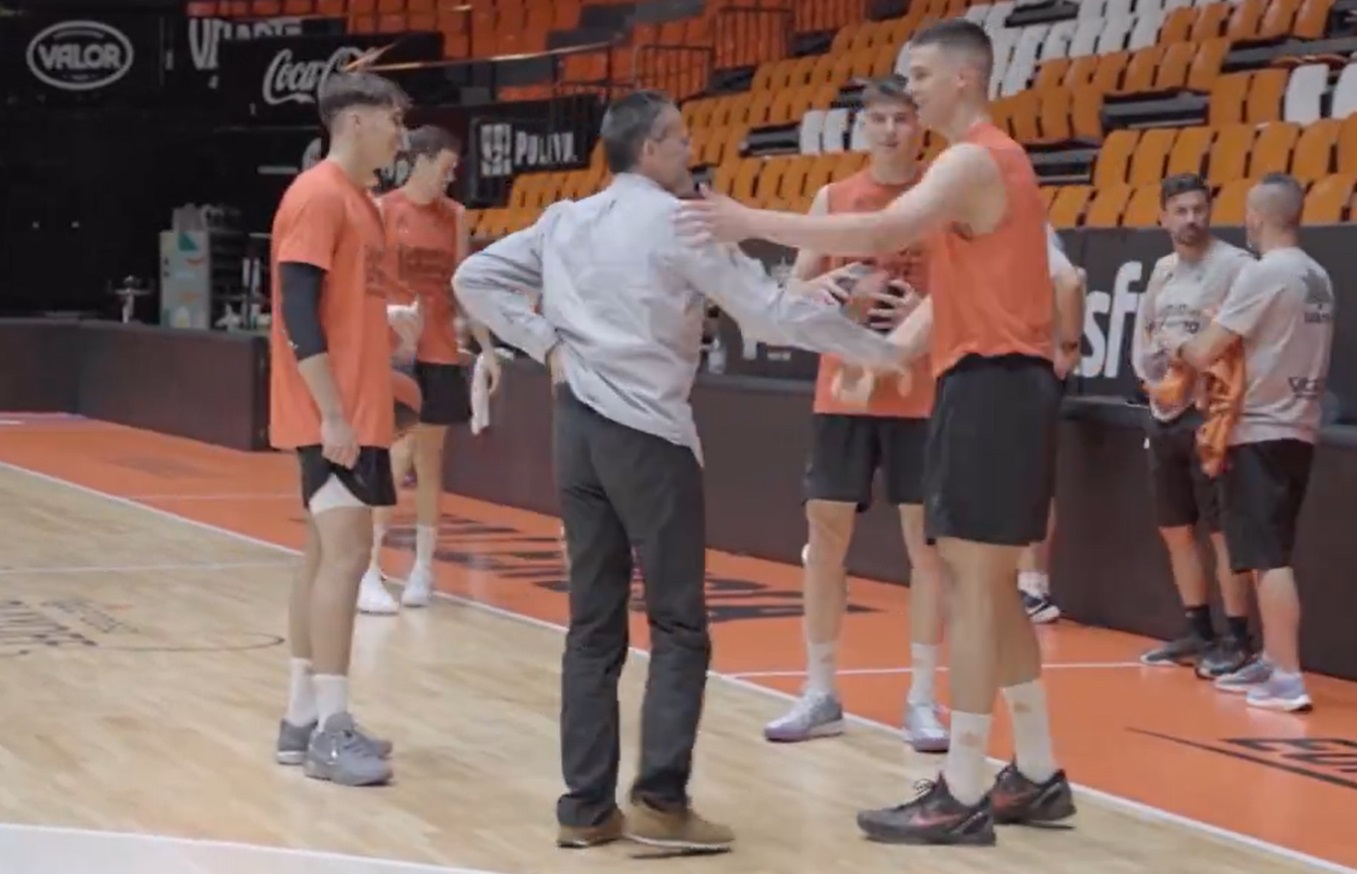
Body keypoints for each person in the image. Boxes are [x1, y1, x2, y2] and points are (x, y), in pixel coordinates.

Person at [453, 89, 911, 852]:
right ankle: (661, 802)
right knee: (677, 625)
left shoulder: (564, 217)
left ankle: (585, 808)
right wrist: (885, 349)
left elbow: (475, 280)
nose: (693, 145)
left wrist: (547, 347)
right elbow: (764, 314)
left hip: (575, 431)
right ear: (652, 148)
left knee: (591, 626)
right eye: (681, 136)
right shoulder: (676, 219)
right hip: (648, 435)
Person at [677, 20, 1075, 845]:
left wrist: (747, 217)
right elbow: (958, 283)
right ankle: (1034, 772)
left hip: (995, 386)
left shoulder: (971, 158)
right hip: (989, 384)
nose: (910, 88)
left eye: (920, 75)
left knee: (970, 584)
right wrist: (888, 349)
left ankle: (961, 787)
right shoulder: (979, 166)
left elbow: (881, 234)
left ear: (962, 80)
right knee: (990, 585)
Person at [761, 75, 949, 754]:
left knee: (926, 548)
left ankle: (924, 699)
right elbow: (791, 294)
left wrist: (924, 314)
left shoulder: (939, 197)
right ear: (862, 127)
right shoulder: (835, 198)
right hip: (841, 391)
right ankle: (818, 690)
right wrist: (836, 289)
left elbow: (968, 291)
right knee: (825, 539)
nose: (891, 131)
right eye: (879, 120)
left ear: (918, 125)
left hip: (918, 391)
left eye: (902, 118)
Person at [267, 70, 411, 787]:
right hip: (334, 411)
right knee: (347, 558)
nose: (399, 131)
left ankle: (301, 718)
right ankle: (330, 727)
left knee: (323, 557)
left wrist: (388, 329)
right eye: (392, 118)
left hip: (358, 403)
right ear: (355, 120)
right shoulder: (318, 196)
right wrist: (329, 410)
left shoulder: (365, 204)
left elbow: (339, 307)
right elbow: (297, 314)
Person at [1171, 173, 1333, 711]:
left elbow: (1206, 350)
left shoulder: (1268, 273)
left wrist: (1179, 339)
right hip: (1298, 424)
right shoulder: (1318, 274)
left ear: (1258, 217)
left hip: (1261, 426)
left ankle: (1288, 674)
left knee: (1270, 557)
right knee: (1266, 555)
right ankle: (1270, 658)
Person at [358, 124, 502, 615]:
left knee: (429, 458)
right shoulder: (383, 210)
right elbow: (364, 283)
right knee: (394, 454)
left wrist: (487, 347)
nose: (451, 175)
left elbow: (465, 287)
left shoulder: (455, 215)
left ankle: (422, 567)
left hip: (440, 345)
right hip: (395, 348)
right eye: (446, 166)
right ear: (421, 160)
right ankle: (370, 567)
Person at [1130, 173, 1256, 678]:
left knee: (1222, 532)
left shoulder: (1236, 266)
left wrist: (1208, 383)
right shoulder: (1161, 271)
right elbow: (1147, 335)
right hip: (1166, 413)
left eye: (1199, 209)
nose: (1191, 219)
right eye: (1180, 210)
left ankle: (1239, 636)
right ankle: (1197, 628)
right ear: (1162, 216)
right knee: (1175, 529)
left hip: (1211, 417)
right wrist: (1155, 382)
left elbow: (1244, 339)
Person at [1017, 225, 1086, 624]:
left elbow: (1072, 281)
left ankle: (1034, 587)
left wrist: (1068, 346)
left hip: (1031, 366)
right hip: (991, 367)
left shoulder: (1032, 231)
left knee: (1030, 479)